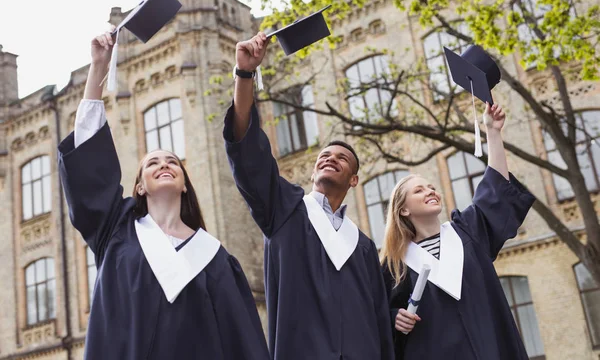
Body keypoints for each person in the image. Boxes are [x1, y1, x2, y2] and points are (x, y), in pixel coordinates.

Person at [58, 29, 270, 360]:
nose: (164, 164)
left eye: (172, 161)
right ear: (140, 186)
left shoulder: (215, 258)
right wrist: (98, 68)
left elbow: (242, 341)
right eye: (152, 163)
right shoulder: (117, 233)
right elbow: (88, 161)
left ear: (185, 182)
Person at [223, 31, 394, 360]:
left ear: (354, 179)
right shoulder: (283, 210)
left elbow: (379, 321)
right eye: (323, 157)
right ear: (313, 173)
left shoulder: (362, 247)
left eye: (341, 158)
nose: (330, 158)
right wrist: (245, 75)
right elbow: (248, 154)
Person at [380, 102, 535, 360]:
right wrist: (393, 317)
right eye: (419, 190)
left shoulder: (467, 231)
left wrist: (493, 134)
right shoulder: (395, 266)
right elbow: (375, 316)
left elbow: (495, 188)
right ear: (403, 210)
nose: (430, 191)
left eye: (431, 187)